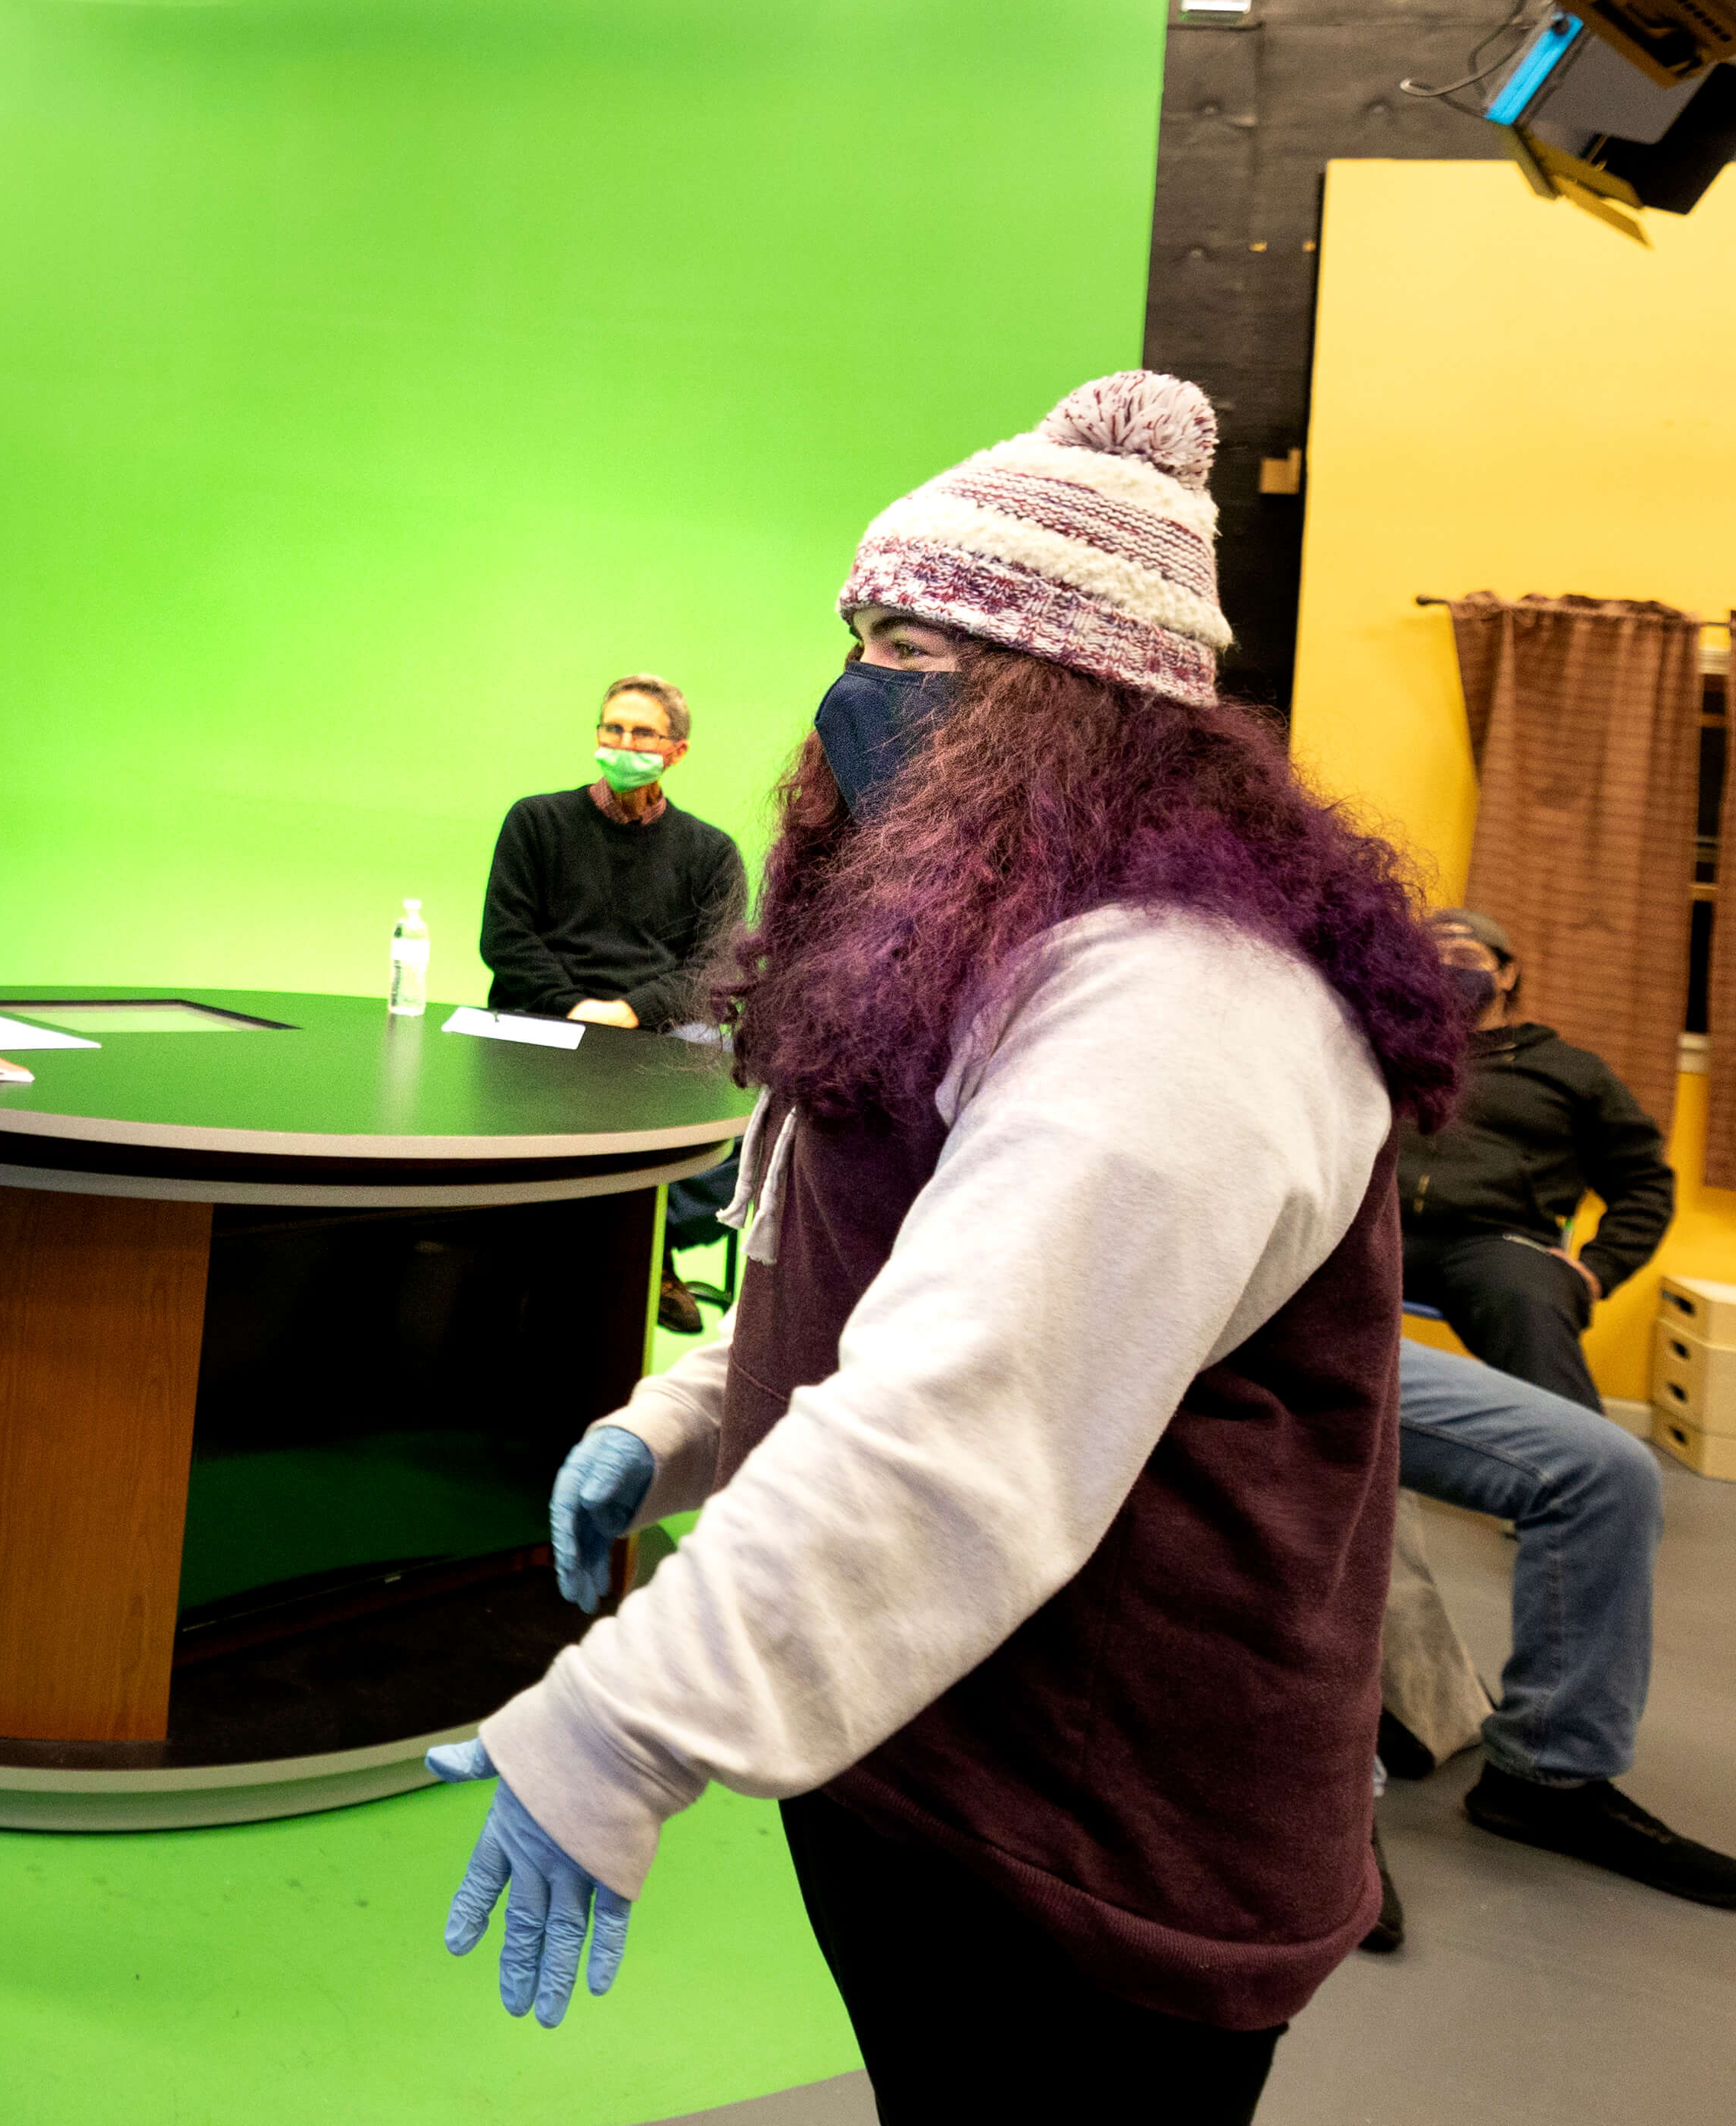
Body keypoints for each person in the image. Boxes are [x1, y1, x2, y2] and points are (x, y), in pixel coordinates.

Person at [424, 372, 1471, 2124]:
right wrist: (686, 1414)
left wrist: (617, 1725)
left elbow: (966, 1415)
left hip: (1098, 1848)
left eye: (905, 645)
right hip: (933, 1764)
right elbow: (911, 1256)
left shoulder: (1182, 1004)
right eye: (857, 634)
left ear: (1061, 706)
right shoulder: (1025, 944)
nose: (852, 693)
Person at [1380, 1338, 1736, 1914]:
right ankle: (1320, 1811)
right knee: (1318, 1455)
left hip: (1337, 1304)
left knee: (1608, 1473)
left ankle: (1548, 1777)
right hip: (1214, 1325)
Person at [479, 674, 747, 1329]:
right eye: (613, 729)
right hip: (541, 1016)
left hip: (657, 1028)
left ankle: (644, 1243)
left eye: (642, 733)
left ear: (676, 751)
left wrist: (629, 1014)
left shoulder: (712, 853)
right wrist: (576, 1007)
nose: (623, 743)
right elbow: (506, 940)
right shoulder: (536, 821)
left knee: (746, 1093)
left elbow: (714, 970)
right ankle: (561, 1251)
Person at [1402, 906, 1674, 1413]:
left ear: (1507, 974)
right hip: (1379, 1234)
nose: (1445, 969)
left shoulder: (1570, 1072)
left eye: (1464, 956)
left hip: (1499, 1247)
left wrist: (1598, 1269)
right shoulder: (1392, 1054)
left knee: (1528, 1303)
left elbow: (1644, 1183)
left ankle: (1582, 1477)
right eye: (1428, 958)